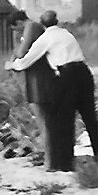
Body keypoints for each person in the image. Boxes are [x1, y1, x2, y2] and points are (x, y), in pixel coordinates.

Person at [6, 11, 98, 171]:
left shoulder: (45, 38)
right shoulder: (66, 33)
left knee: (65, 118)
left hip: (67, 74)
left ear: (43, 24)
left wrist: (11, 65)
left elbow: (26, 59)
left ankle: (66, 163)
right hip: (85, 73)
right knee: (90, 118)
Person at [6, 10, 57, 163]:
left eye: (16, 29)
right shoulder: (31, 27)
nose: (17, 32)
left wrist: (17, 44)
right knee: (41, 118)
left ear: (19, 22)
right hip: (35, 75)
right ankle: (48, 154)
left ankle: (49, 157)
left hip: (40, 76)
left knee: (42, 118)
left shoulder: (31, 26)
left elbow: (21, 52)